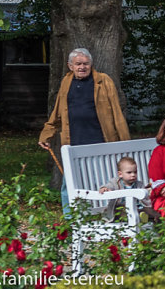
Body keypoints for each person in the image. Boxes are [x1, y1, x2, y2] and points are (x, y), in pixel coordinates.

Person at [38, 47, 131, 212]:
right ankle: (71, 221)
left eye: (86, 64)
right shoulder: (66, 82)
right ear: (70, 66)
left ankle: (105, 215)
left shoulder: (103, 81)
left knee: (103, 183)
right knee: (69, 186)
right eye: (78, 64)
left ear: (91, 64)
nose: (82, 67)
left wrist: (124, 144)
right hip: (74, 144)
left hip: (101, 143)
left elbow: (117, 114)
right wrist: (47, 134)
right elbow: (57, 113)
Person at [99, 156, 158, 222]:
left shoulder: (139, 184)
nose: (133, 175)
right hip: (120, 208)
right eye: (129, 172)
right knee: (124, 213)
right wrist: (104, 188)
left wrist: (147, 193)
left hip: (137, 207)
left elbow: (145, 198)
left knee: (152, 212)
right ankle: (142, 218)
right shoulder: (115, 182)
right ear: (120, 174)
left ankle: (155, 219)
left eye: (135, 172)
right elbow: (109, 186)